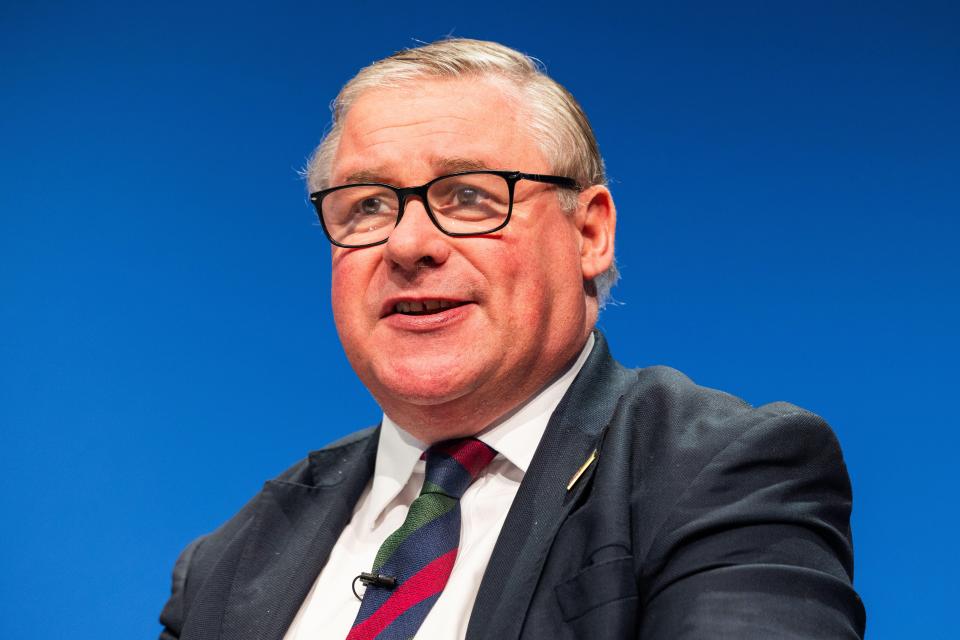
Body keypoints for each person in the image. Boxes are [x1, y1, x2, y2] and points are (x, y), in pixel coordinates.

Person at [159, 38, 865, 640]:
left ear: (589, 233)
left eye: (468, 195)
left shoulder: (721, 475)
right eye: (368, 205)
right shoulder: (232, 558)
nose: (408, 243)